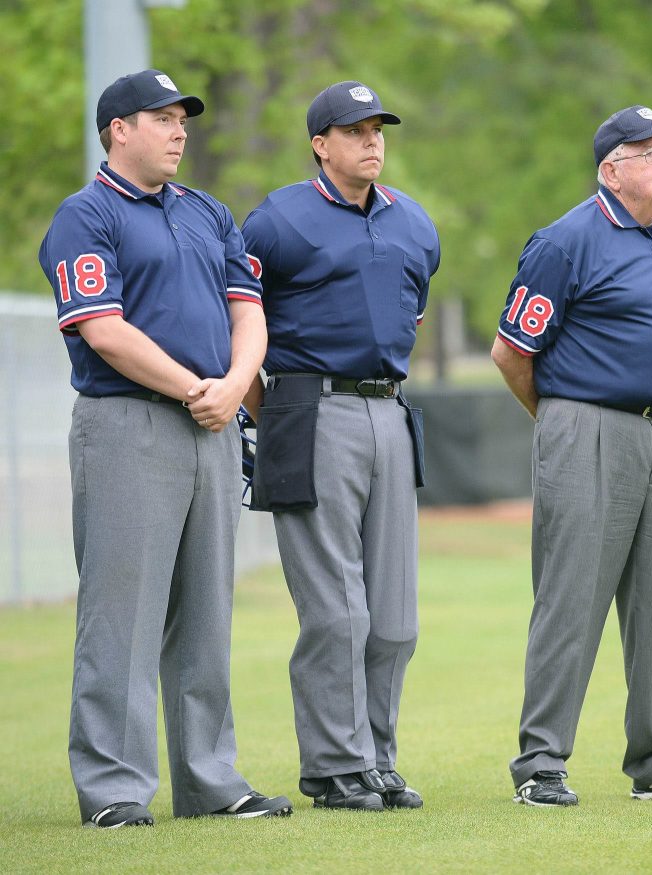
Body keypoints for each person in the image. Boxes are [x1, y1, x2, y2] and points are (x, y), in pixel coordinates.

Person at [38, 69, 292, 828]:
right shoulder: (85, 216)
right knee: (123, 611)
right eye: (162, 117)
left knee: (207, 610)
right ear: (119, 128)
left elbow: (248, 312)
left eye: (183, 118)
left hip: (211, 422)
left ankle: (210, 780)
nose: (180, 129)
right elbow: (102, 328)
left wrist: (234, 385)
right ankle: (115, 786)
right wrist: (196, 387)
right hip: (129, 423)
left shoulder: (208, 212)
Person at [491, 105, 652, 807]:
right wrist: (563, 418)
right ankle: (540, 763)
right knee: (571, 599)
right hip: (588, 425)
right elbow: (512, 351)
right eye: (649, 150)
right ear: (610, 169)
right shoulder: (568, 239)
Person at [240, 81, 439, 812]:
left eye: (378, 128)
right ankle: (334, 766)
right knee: (337, 610)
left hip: (388, 410)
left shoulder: (413, 223)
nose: (372, 141)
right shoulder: (278, 220)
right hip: (310, 408)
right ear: (321, 143)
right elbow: (238, 316)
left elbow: (408, 317)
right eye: (354, 131)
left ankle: (377, 760)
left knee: (393, 617)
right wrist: (270, 409)